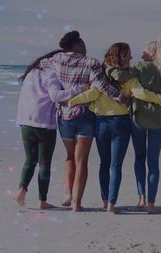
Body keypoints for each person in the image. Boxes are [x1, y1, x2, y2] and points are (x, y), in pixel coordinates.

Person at [68, 42, 161, 213]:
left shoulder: (101, 76)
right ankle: (111, 205)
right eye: (129, 54)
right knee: (115, 166)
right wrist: (160, 99)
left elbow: (91, 94)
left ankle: (105, 200)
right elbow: (141, 93)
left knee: (104, 164)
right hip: (121, 123)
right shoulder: (130, 77)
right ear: (122, 56)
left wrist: (71, 101)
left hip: (102, 124)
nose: (131, 57)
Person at [43, 31, 127, 212]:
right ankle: (77, 204)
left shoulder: (56, 59)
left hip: (64, 115)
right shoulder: (91, 63)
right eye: (82, 43)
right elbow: (101, 85)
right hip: (84, 116)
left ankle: (68, 194)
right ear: (76, 46)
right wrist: (120, 96)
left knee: (69, 157)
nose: (86, 47)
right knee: (82, 161)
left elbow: (41, 65)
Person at [15, 49, 87, 209]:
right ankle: (42, 200)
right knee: (44, 163)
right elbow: (56, 96)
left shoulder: (32, 71)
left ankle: (22, 189)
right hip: (44, 124)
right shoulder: (51, 74)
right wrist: (79, 89)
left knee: (29, 160)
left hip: (25, 121)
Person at [130, 40, 161, 214]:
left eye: (144, 52)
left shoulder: (139, 68)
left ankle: (141, 196)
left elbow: (130, 87)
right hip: (158, 121)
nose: (141, 55)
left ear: (152, 52)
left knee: (139, 158)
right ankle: (151, 203)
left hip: (139, 120)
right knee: (154, 161)